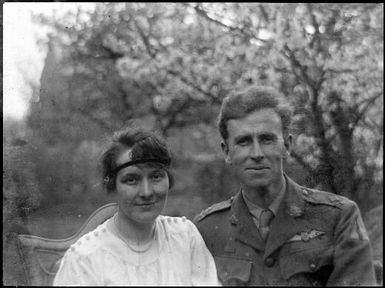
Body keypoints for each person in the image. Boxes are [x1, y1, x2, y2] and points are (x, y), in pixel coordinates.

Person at [194, 86, 377, 286]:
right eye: (244, 142)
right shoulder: (207, 230)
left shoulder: (338, 218)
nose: (257, 153)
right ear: (227, 152)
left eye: (266, 139)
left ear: (287, 145)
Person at [54, 128, 219, 286]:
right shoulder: (85, 259)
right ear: (113, 185)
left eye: (156, 176)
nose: (146, 192)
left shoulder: (184, 236)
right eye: (131, 179)